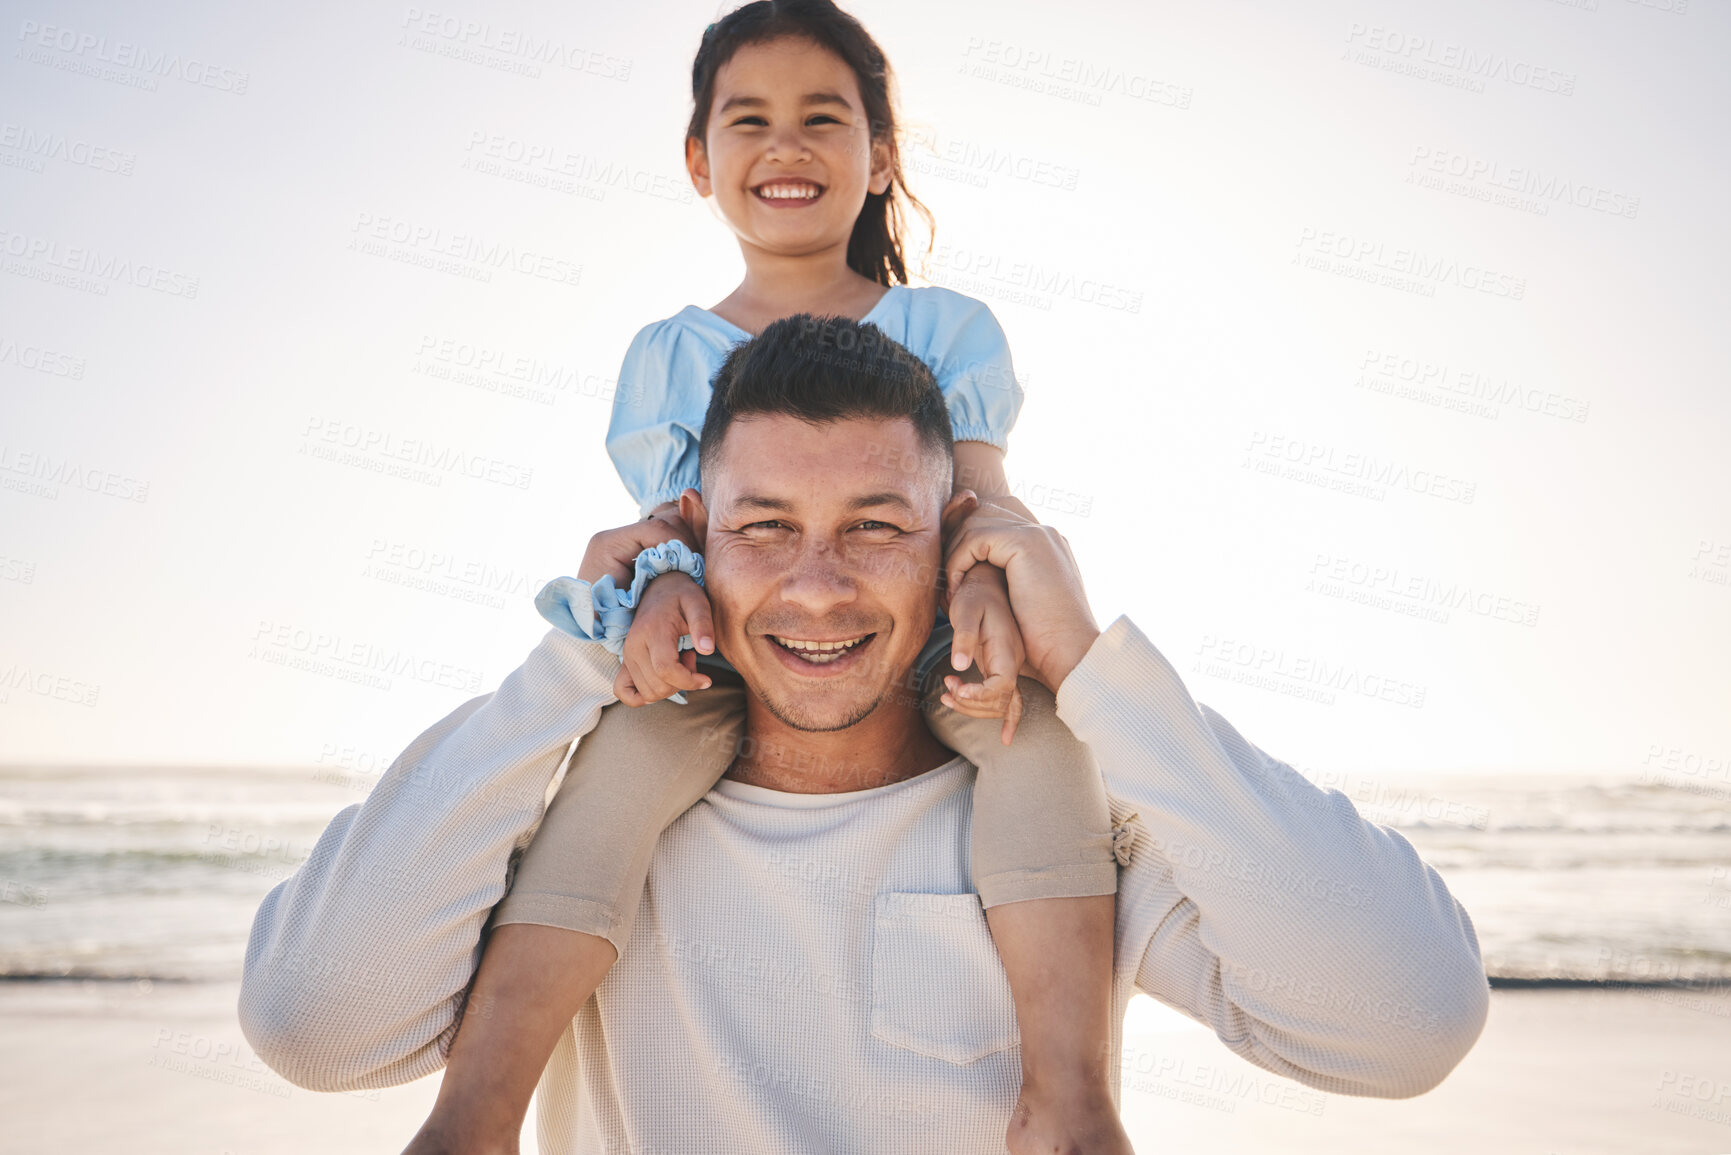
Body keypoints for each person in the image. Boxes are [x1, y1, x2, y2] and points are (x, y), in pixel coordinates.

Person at [238, 313, 1491, 1155]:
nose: (820, 586)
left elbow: (1408, 1021)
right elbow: (313, 1024)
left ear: (957, 541)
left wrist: (1095, 669)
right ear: (693, 538)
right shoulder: (582, 824)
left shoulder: (1061, 825)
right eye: (766, 526)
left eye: (878, 527)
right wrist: (578, 654)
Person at [399, 0, 1132, 1148]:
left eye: (822, 119)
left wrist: (987, 589)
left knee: (1041, 749)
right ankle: (476, 1112)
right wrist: (664, 600)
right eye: (748, 120)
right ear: (700, 160)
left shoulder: (944, 324)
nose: (785, 146)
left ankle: (1070, 1101)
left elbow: (982, 493)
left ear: (879, 156)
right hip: (736, 663)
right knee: (611, 786)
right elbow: (672, 527)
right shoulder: (672, 353)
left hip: (925, 645)